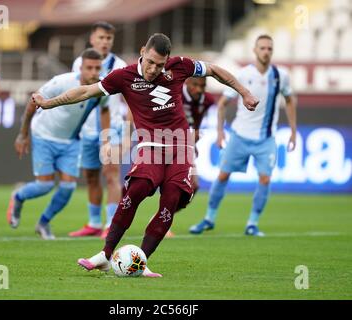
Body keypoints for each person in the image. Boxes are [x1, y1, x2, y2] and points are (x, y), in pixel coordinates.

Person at [32, 33, 258, 276]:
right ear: (142, 52)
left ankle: (141, 262)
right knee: (137, 189)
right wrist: (48, 103)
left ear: (167, 60)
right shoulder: (123, 76)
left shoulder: (179, 66)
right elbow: (86, 92)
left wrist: (244, 92)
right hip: (150, 145)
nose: (153, 69)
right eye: (150, 62)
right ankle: (105, 255)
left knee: (170, 201)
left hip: (180, 146)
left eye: (160, 65)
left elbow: (213, 70)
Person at [190, 34, 297, 236]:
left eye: (269, 48)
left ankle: (252, 224)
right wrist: (220, 133)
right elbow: (222, 104)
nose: (266, 51)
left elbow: (290, 100)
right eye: (262, 48)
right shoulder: (243, 74)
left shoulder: (280, 75)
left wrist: (293, 131)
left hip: (266, 139)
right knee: (222, 175)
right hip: (239, 135)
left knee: (265, 179)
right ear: (255, 50)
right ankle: (209, 218)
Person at [6, 48, 109, 240]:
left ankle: (43, 223)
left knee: (68, 187)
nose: (94, 72)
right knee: (44, 186)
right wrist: (23, 134)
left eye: (97, 68)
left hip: (71, 141)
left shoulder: (101, 89)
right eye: (89, 68)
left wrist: (106, 138)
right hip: (44, 135)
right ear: (81, 67)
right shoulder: (62, 81)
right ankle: (18, 196)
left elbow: (104, 110)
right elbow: (33, 101)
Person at [69, 21, 127, 239]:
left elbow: (129, 102)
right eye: (101, 37)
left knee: (111, 175)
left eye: (108, 38)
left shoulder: (120, 65)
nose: (104, 42)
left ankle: (112, 224)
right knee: (91, 176)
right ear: (92, 39)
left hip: (111, 129)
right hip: (86, 129)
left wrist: (128, 133)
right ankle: (94, 223)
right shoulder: (79, 63)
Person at [164, 76, 217, 238]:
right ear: (187, 83)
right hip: (166, 140)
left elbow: (197, 121)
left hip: (186, 145)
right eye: (195, 85)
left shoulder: (207, 100)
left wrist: (195, 136)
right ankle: (162, 220)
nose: (199, 89)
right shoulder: (175, 93)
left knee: (193, 186)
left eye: (203, 85)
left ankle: (161, 217)